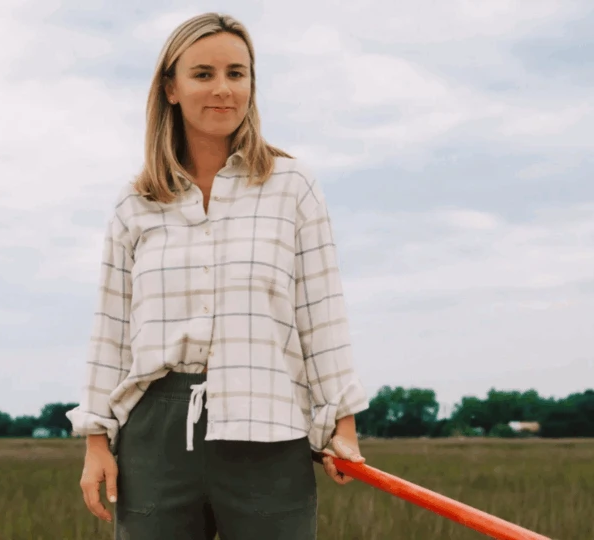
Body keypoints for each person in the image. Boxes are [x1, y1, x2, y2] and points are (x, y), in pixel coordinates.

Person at [66, 12, 370, 540]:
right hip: (155, 437)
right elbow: (111, 329)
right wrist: (96, 439)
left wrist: (342, 424)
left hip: (269, 431)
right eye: (203, 74)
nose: (223, 89)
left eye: (236, 73)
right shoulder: (136, 202)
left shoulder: (292, 186)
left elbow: (321, 314)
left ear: (252, 83)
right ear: (171, 88)